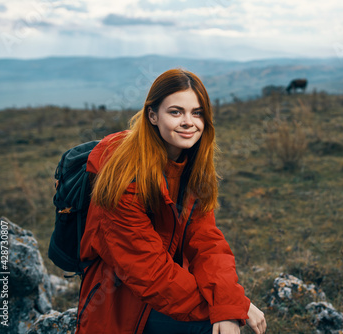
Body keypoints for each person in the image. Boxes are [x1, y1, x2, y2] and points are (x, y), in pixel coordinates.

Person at [75, 69, 266, 334]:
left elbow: (207, 241)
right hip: (118, 302)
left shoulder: (190, 163)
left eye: (197, 112)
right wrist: (230, 308)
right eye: (176, 112)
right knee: (216, 328)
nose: (189, 122)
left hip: (168, 287)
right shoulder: (124, 176)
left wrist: (230, 302)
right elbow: (147, 270)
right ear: (152, 115)